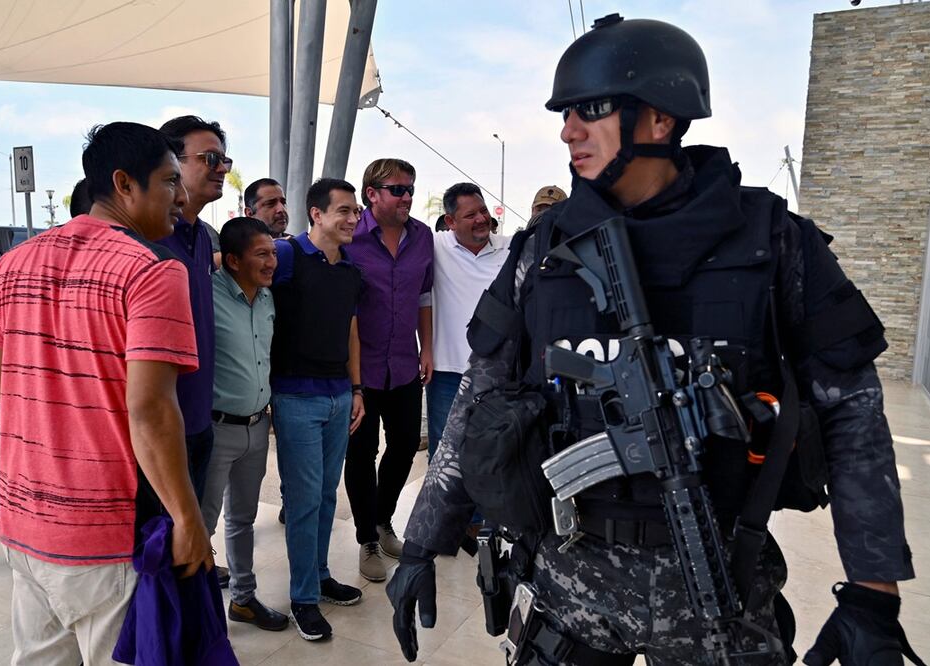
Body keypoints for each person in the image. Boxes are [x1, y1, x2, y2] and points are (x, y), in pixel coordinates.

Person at [387, 15, 917, 666]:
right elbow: (477, 401)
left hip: (716, 588)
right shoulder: (543, 250)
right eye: (564, 113)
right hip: (566, 592)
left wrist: (872, 592)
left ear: (660, 120)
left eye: (589, 110)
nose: (566, 130)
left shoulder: (774, 242)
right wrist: (421, 541)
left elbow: (853, 420)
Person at [0, 122, 214, 664]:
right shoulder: (152, 271)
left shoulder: (11, 265)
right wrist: (187, 518)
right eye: (168, 181)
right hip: (105, 534)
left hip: (23, 519)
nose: (179, 197)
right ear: (124, 184)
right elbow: (152, 411)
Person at [271, 177, 366, 642]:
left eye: (355, 212)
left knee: (328, 498)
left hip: (338, 396)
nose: (353, 219)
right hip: (295, 397)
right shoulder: (286, 256)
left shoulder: (349, 269)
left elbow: (351, 330)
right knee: (304, 502)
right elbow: (232, 271)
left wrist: (357, 389)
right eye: (344, 211)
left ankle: (320, 576)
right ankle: (302, 597)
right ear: (317, 214)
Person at [345, 158, 433, 584]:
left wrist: (427, 349)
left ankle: (383, 520)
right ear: (372, 194)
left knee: (402, 447)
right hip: (359, 372)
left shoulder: (423, 237)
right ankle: (366, 538)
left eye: (411, 188)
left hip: (403, 363)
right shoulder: (350, 238)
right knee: (360, 453)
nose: (407, 197)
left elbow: (424, 296)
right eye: (398, 189)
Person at [201, 216, 289, 632]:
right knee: (202, 523)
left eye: (273, 253)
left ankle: (243, 599)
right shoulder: (205, 294)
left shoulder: (268, 299)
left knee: (243, 519)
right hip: (216, 430)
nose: (272, 261)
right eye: (262, 254)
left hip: (257, 428)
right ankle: (199, 614)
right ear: (233, 260)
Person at [158, 115, 233, 588]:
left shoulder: (203, 238)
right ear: (169, 163)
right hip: (161, 426)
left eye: (224, 158)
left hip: (200, 420)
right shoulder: (147, 241)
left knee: (191, 547)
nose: (221, 167)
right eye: (209, 158)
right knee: (160, 552)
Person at [427, 183, 509, 460]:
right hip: (447, 375)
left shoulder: (510, 249)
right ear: (450, 221)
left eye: (483, 211)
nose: (481, 219)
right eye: (470, 215)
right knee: (444, 455)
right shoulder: (433, 246)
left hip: (499, 374)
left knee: (495, 456)